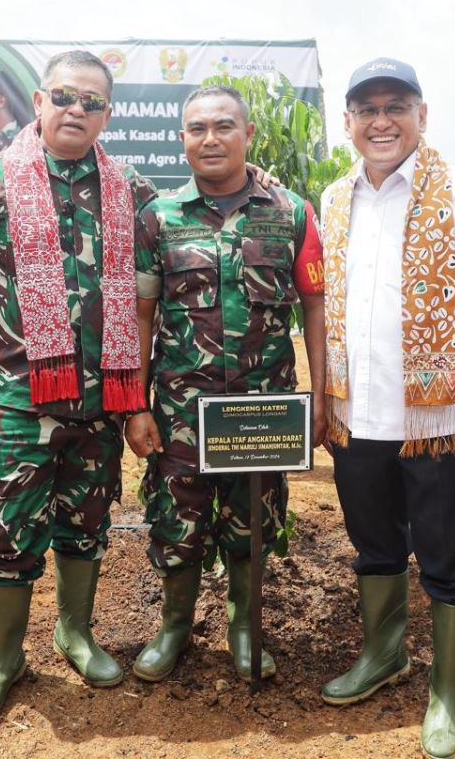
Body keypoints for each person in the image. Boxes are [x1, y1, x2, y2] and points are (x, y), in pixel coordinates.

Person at [0, 51, 160, 719]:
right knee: (9, 528)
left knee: (86, 522)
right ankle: (5, 658)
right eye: (65, 96)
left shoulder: (130, 189)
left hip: (100, 397)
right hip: (17, 394)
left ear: (107, 114)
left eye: (92, 101)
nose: (77, 110)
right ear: (38, 99)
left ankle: (75, 632)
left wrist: (135, 395)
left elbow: (142, 304)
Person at [313, 58, 455, 759]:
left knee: (448, 557)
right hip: (356, 417)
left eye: (395, 105)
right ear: (347, 123)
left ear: (422, 115)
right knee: (374, 547)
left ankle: (446, 691)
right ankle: (384, 654)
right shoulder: (333, 197)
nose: (380, 121)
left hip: (439, 423)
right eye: (365, 109)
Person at [126, 86, 326, 683]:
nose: (209, 138)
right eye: (196, 129)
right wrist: (136, 403)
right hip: (181, 408)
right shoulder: (158, 218)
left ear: (248, 134)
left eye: (223, 126)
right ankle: (174, 627)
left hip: (263, 409)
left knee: (253, 518)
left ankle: (246, 626)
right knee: (177, 519)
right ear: (182, 138)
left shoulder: (291, 211)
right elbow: (139, 316)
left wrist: (320, 395)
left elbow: (314, 306)